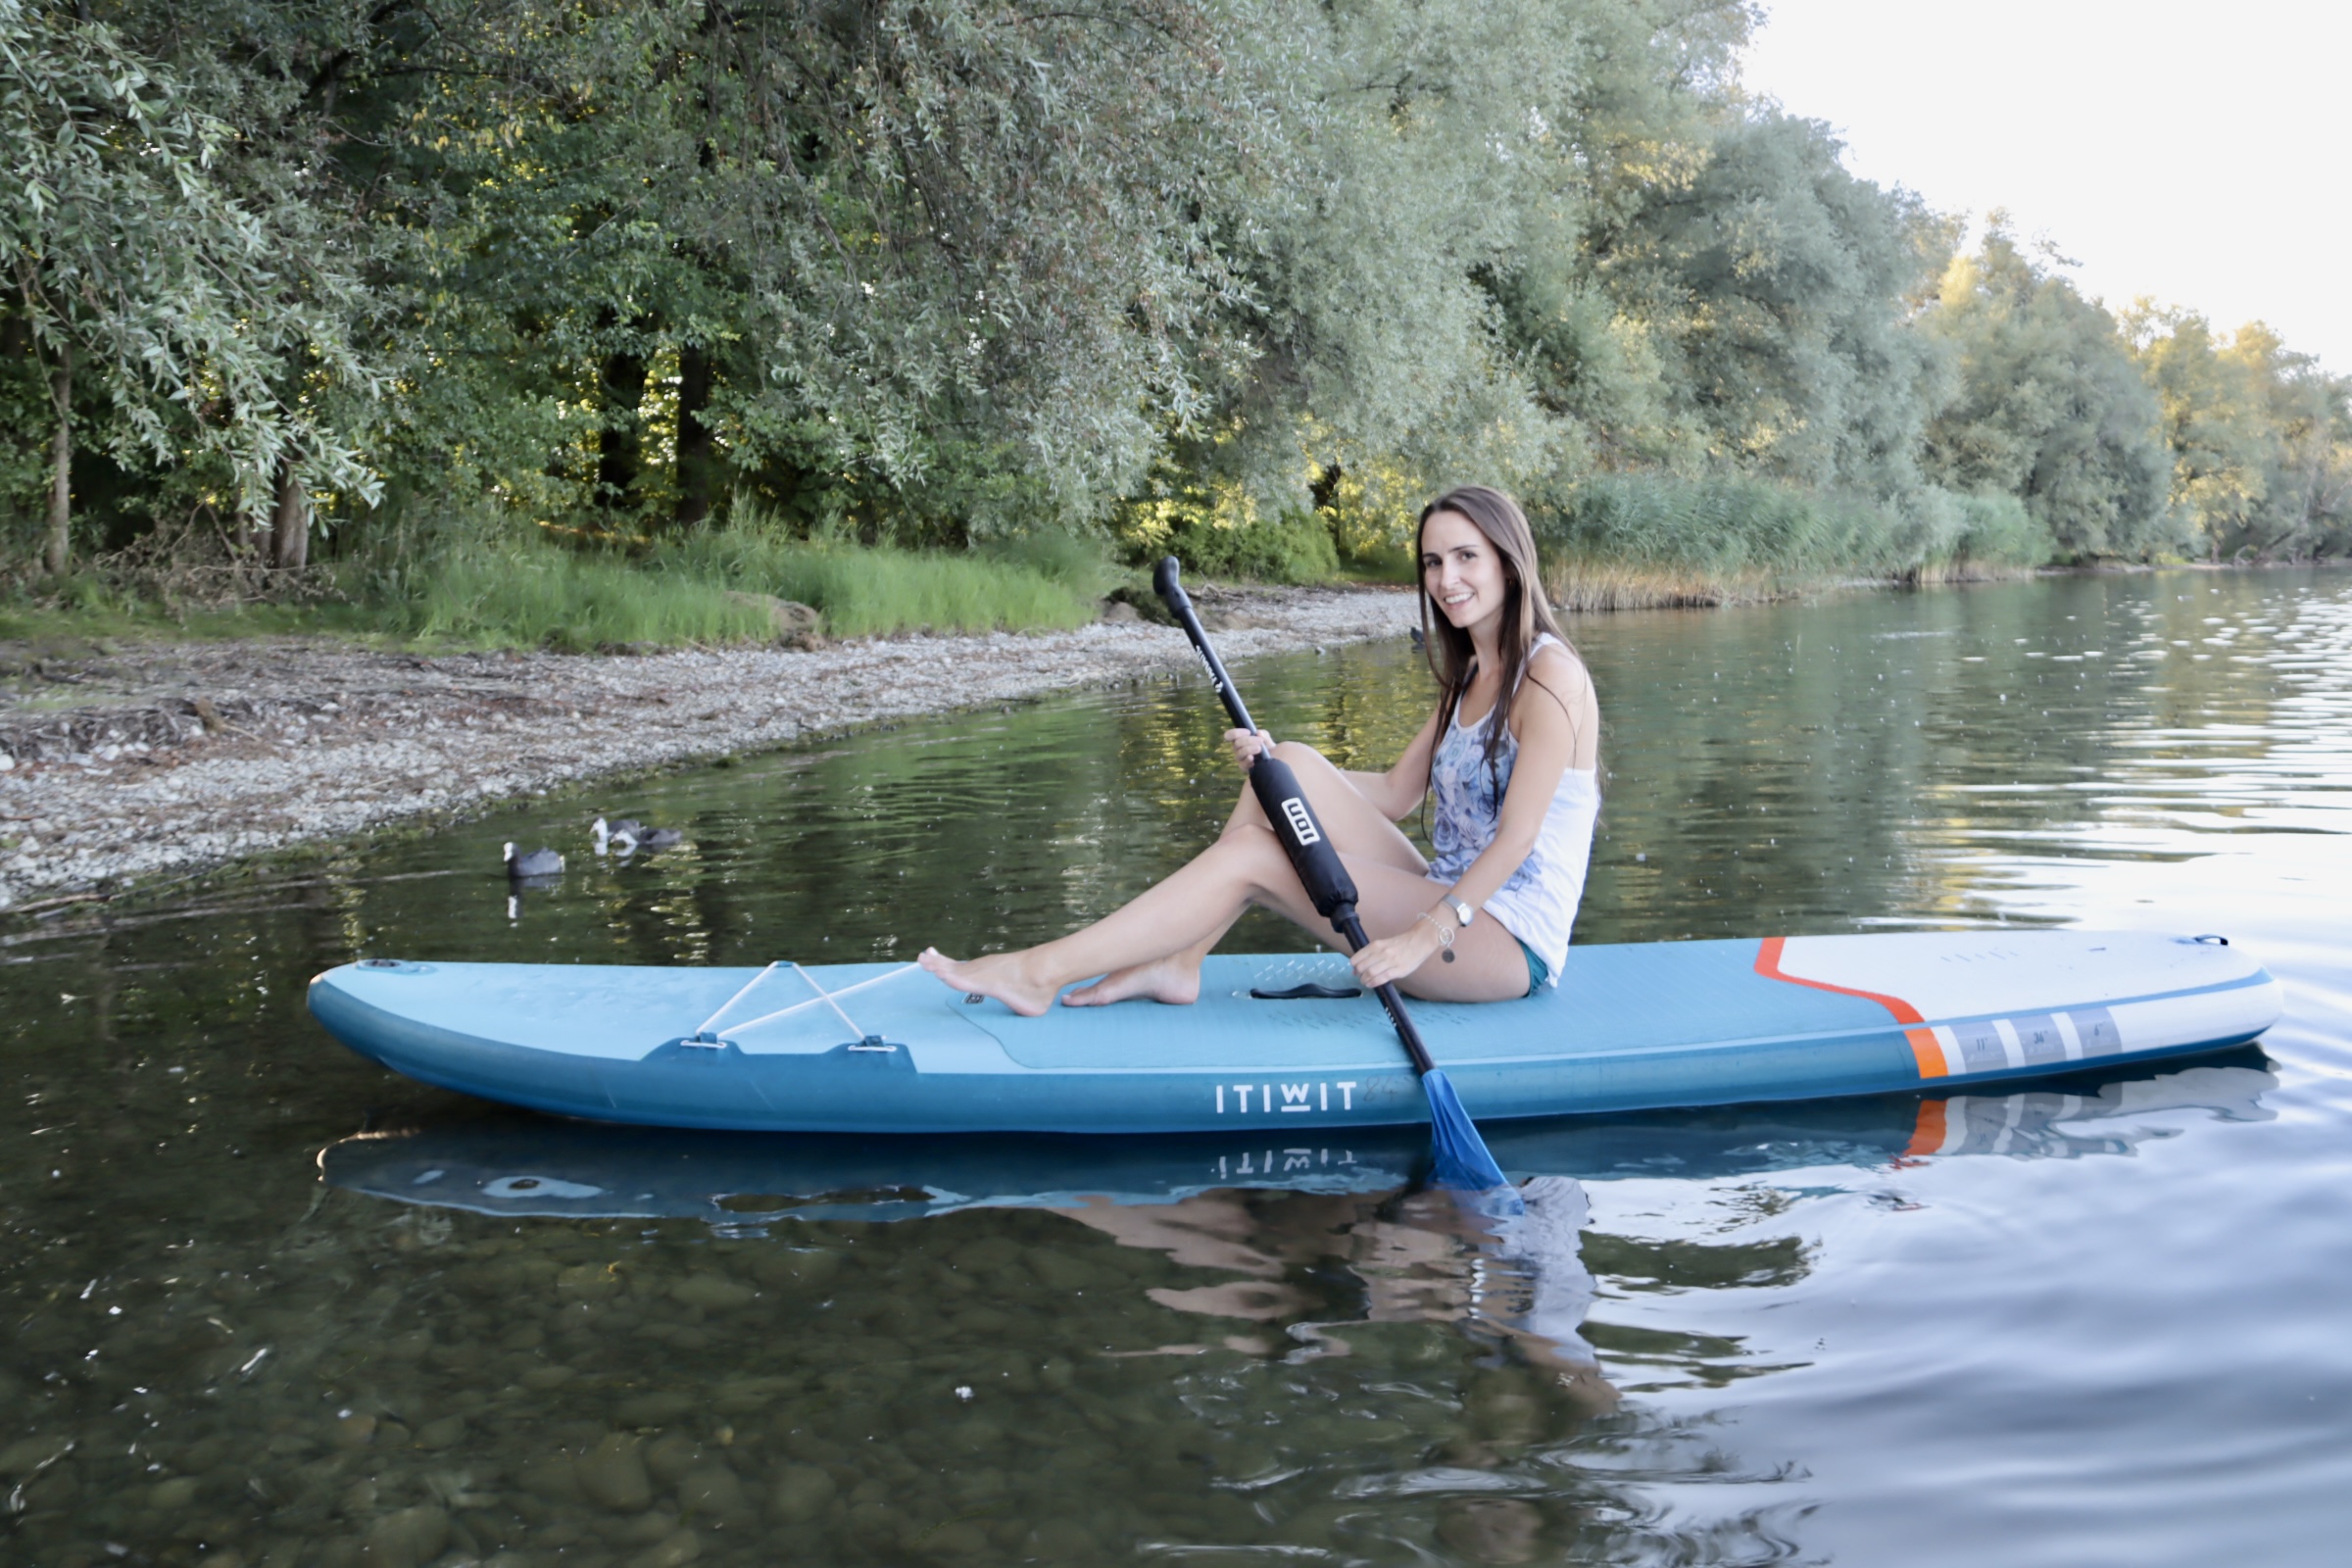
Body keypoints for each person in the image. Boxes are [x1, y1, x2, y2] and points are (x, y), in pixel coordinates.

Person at [919, 484, 1600, 1014]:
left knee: (1254, 858)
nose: (1446, 578)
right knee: (1288, 767)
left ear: (1509, 565)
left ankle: (1037, 974)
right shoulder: (1470, 673)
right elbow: (1396, 793)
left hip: (1503, 940)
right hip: (1446, 891)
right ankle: (1181, 961)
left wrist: (1423, 937)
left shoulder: (1549, 677)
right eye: (1432, 561)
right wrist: (1277, 762)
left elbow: (1516, 840)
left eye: (1465, 558)